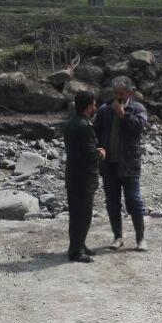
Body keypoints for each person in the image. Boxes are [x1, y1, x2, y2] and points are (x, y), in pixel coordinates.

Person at [94, 77, 149, 251]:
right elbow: (96, 133)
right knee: (112, 202)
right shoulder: (104, 110)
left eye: (121, 93)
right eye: (115, 93)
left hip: (130, 164)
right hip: (109, 165)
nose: (117, 96)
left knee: (134, 201)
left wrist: (123, 115)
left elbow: (139, 128)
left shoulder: (138, 108)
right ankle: (117, 237)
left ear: (130, 93)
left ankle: (141, 238)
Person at [64, 90, 105, 263]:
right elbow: (90, 154)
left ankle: (79, 245)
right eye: (94, 104)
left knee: (77, 214)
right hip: (83, 177)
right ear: (89, 107)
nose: (95, 107)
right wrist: (101, 153)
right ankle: (76, 251)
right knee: (82, 215)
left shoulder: (71, 122)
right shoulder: (84, 126)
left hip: (73, 175)